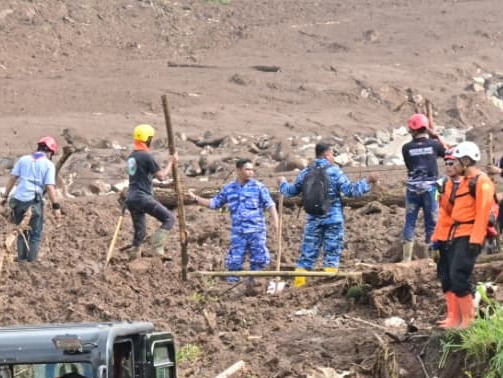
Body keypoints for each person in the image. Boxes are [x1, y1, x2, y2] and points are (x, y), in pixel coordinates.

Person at [279, 141, 377, 286]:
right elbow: (351, 191)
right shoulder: (334, 171)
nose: (333, 157)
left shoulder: (306, 171)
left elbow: (290, 191)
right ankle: (327, 287)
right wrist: (367, 180)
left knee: (307, 256)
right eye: (332, 154)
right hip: (333, 219)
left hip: (313, 220)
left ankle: (298, 285)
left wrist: (282, 182)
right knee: (331, 255)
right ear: (326, 154)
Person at [431, 142, 495, 330]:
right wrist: (442, 194)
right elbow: (450, 212)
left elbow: (483, 213)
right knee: (449, 275)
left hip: (469, 234)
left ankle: (468, 320)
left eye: (455, 162)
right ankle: (454, 318)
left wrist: (476, 240)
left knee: (459, 274)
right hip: (455, 233)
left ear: (466, 161)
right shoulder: (461, 182)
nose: (452, 165)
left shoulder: (481, 182)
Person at [188, 159, 278, 283]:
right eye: (247, 169)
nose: (251, 172)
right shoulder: (229, 189)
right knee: (234, 261)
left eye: (252, 170)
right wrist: (196, 199)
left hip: (256, 231)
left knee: (259, 259)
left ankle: (256, 285)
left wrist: (275, 222)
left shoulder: (258, 187)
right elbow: (214, 203)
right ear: (238, 170)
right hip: (238, 232)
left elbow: (270, 204)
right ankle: (232, 287)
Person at [0, 136, 63, 261]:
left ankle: (21, 261)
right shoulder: (48, 165)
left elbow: (12, 178)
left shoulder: (23, 160)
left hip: (18, 201)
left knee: (21, 232)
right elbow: (50, 187)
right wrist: (56, 207)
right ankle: (31, 262)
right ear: (50, 152)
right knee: (34, 235)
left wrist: (5, 196)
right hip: (33, 203)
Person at [124, 123, 178, 258]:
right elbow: (161, 176)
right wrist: (171, 162)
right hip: (143, 197)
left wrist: (168, 184)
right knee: (169, 218)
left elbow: (143, 178)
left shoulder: (132, 156)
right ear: (148, 139)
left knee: (140, 232)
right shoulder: (146, 156)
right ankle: (157, 247)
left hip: (131, 198)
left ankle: (134, 255)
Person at [400, 113, 447, 262]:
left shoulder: (406, 148)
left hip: (412, 190)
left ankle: (406, 258)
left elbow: (409, 165)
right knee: (432, 222)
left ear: (412, 129)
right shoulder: (434, 145)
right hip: (431, 190)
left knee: (410, 222)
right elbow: (448, 152)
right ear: (426, 128)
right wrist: (436, 136)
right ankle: (432, 258)